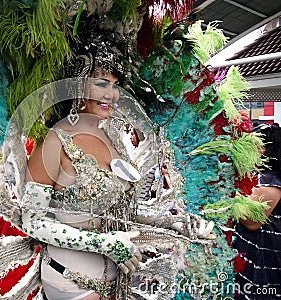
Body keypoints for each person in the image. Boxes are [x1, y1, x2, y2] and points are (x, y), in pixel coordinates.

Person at [21, 48, 216, 299]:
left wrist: (175, 224)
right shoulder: (53, 142)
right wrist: (103, 244)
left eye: (115, 85)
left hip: (117, 280)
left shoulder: (114, 140)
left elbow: (122, 211)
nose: (111, 94)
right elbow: (32, 222)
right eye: (101, 83)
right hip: (70, 279)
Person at [233, 123, 281, 299]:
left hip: (263, 257)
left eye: (255, 144)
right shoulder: (253, 174)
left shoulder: (273, 180)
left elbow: (251, 220)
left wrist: (225, 191)